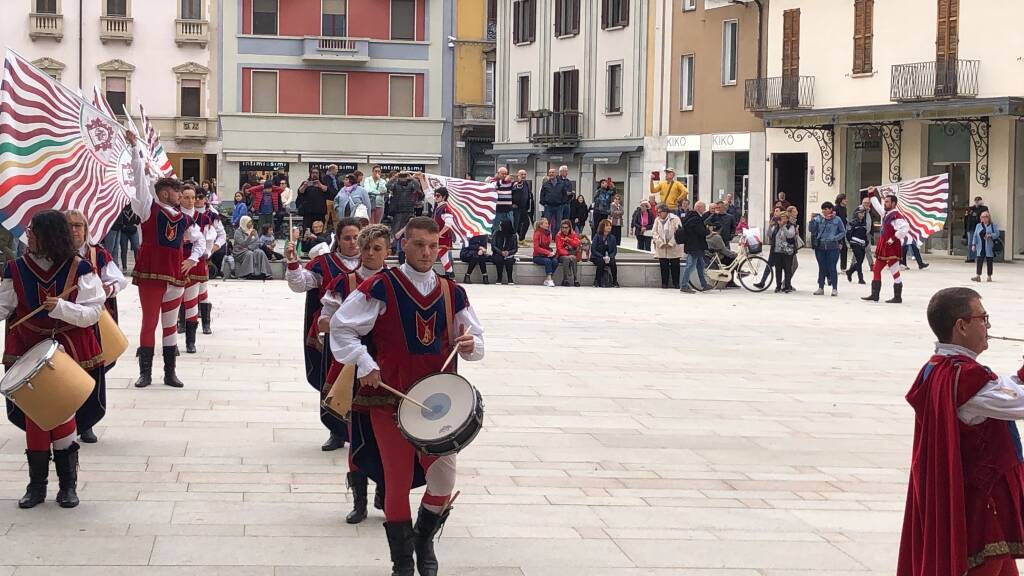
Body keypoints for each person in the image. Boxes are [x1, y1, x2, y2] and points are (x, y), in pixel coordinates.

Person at [330, 216, 484, 576]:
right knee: (396, 483)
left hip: (439, 404)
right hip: (391, 402)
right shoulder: (382, 286)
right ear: (404, 246)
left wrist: (470, 344)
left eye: (433, 246)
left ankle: (423, 540)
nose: (427, 252)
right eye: (418, 245)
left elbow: (477, 343)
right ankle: (403, 563)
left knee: (443, 481)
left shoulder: (452, 291)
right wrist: (365, 363)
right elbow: (342, 328)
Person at [896, 287, 1024, 576]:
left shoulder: (941, 368)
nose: (988, 326)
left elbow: (1004, 389)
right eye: (983, 318)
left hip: (978, 502)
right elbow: (1014, 401)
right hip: (981, 506)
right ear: (961, 326)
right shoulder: (964, 377)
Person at [2, 210, 105, 509]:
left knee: (61, 413)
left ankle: (67, 486)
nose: (28, 234)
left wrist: (62, 308)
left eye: (33, 230)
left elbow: (93, 313)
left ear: (49, 235)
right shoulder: (16, 269)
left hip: (67, 347)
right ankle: (36, 486)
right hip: (28, 348)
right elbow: (3, 306)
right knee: (36, 416)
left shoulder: (80, 268)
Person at [316, 223, 390, 525]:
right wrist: (327, 324)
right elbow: (326, 319)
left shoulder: (394, 282)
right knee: (356, 435)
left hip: (385, 369)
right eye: (367, 247)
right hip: (352, 368)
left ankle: (386, 490)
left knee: (388, 436)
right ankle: (359, 501)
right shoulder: (343, 280)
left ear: (388, 251)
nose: (371, 253)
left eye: (377, 248)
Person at [126, 131, 205, 389]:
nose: (180, 195)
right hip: (151, 273)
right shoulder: (148, 207)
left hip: (175, 276)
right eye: (176, 191)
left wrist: (192, 259)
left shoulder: (184, 218)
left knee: (170, 326)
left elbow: (200, 240)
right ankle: (145, 373)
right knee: (149, 323)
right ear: (164, 192)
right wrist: (135, 148)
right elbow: (139, 179)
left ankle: (170, 373)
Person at [286, 218, 364, 451]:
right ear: (337, 240)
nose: (353, 243)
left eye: (356, 237)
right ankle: (336, 431)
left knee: (362, 385)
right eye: (347, 238)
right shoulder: (324, 263)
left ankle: (362, 433)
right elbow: (300, 285)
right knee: (332, 382)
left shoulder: (370, 262)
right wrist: (292, 262)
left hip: (364, 335)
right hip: (331, 335)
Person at [64, 210, 128, 444]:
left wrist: (104, 289)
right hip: (64, 324)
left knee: (93, 371)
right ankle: (64, 421)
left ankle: (87, 422)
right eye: (69, 226)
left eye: (78, 225)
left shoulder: (97, 253)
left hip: (95, 323)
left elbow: (118, 280)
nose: (74, 230)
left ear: (86, 228)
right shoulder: (54, 255)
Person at [862, 187, 908, 304]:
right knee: (876, 269)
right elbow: (877, 206)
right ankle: (875, 295)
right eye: (885, 201)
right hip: (884, 247)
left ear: (893, 203)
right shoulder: (886, 213)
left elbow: (905, 228)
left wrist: (894, 237)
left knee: (895, 272)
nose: (885, 203)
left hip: (892, 248)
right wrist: (872, 193)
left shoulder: (896, 216)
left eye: (887, 202)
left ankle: (898, 297)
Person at [809, 201, 846, 297]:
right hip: (820, 246)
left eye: (826, 209)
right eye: (823, 209)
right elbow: (812, 230)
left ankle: (834, 288)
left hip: (833, 247)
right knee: (822, 267)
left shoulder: (837, 220)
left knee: (832, 267)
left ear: (831, 209)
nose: (824, 211)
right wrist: (812, 220)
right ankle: (821, 287)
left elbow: (843, 232)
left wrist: (835, 238)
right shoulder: (819, 219)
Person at [387, 172, 424, 264]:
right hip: (397, 210)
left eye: (404, 177)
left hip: (409, 210)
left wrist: (412, 178)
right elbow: (387, 186)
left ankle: (406, 248)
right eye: (402, 177)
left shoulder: (411, 184)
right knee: (396, 230)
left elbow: (418, 189)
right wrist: (395, 177)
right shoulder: (395, 184)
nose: (403, 178)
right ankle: (394, 248)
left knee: (408, 230)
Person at [679, 201, 709, 294]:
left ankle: (704, 284)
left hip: (695, 245)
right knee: (691, 265)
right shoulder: (695, 218)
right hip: (694, 246)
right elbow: (700, 231)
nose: (705, 209)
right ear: (698, 207)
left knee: (701, 265)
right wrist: (708, 231)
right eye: (704, 207)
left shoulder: (690, 216)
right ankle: (684, 285)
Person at [652, 203, 683, 289]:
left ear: (665, 211)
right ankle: (664, 283)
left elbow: (678, 232)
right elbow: (654, 232)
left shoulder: (675, 219)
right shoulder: (657, 220)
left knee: (675, 265)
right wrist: (660, 243)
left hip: (674, 247)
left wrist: (671, 243)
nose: (658, 214)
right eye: (658, 212)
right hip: (662, 247)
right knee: (663, 266)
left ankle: (676, 283)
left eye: (660, 212)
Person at [767, 211, 797, 293]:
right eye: (781, 218)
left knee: (787, 269)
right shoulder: (776, 227)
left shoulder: (790, 226)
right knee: (778, 269)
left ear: (787, 219)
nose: (783, 219)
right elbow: (769, 235)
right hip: (777, 251)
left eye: (784, 218)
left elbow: (790, 235)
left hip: (787, 251)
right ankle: (778, 286)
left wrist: (783, 227)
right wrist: (770, 225)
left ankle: (787, 286)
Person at [432, 187, 457, 279]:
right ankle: (450, 275)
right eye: (435, 195)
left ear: (444, 197)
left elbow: (449, 224)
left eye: (438, 195)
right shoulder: (438, 206)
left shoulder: (446, 208)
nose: (435, 197)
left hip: (443, 238)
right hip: (440, 237)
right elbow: (427, 194)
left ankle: (431, 271)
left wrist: (439, 234)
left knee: (432, 255)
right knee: (444, 257)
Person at [298, 167, 330, 232]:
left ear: (319, 174)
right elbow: (300, 192)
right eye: (313, 173)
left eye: (316, 173)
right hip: (308, 212)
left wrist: (320, 185)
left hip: (320, 212)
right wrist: (305, 185)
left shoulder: (323, 183)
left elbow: (329, 193)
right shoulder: (305, 183)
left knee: (319, 231)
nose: (314, 174)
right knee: (307, 231)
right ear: (310, 174)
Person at [971, 211, 999, 283]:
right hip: (980, 247)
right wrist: (973, 244)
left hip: (989, 247)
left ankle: (989, 276)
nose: (983, 218)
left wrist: (990, 235)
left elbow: (997, 234)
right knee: (979, 261)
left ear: (988, 218)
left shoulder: (993, 225)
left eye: (985, 217)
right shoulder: (978, 225)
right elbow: (975, 236)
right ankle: (978, 276)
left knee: (989, 261)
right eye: (982, 217)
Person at [112, 203, 141, 271]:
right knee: (124, 249)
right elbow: (119, 218)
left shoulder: (135, 207)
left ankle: (137, 266)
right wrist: (122, 225)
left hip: (133, 230)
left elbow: (138, 219)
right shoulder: (121, 207)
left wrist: (136, 221)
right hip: (124, 231)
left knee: (136, 247)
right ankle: (124, 267)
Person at [591, 219, 619, 288]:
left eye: (610, 226)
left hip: (608, 257)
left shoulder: (612, 237)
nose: (609, 227)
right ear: (602, 227)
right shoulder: (597, 236)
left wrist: (610, 256)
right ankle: (597, 281)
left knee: (613, 262)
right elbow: (593, 249)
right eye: (607, 226)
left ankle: (615, 281)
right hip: (597, 257)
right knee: (601, 262)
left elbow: (614, 250)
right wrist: (601, 256)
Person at [532, 217, 559, 287]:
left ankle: (547, 278)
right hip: (537, 256)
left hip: (546, 254)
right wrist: (548, 253)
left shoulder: (548, 234)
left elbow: (547, 246)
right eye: (546, 223)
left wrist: (550, 252)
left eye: (547, 223)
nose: (547, 225)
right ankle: (549, 279)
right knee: (548, 261)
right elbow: (536, 248)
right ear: (541, 225)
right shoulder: (537, 233)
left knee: (555, 261)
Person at [490, 219, 518, 285]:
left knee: (509, 260)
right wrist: (500, 252)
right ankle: (499, 278)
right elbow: (493, 246)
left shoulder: (513, 236)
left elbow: (515, 248)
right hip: (498, 254)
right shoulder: (496, 233)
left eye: (501, 225)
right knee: (499, 259)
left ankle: (510, 278)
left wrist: (508, 252)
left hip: (508, 254)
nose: (500, 226)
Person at [845, 206, 869, 285]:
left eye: (863, 213)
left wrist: (866, 241)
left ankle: (850, 271)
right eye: (861, 213)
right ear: (856, 213)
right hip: (855, 244)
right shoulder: (853, 223)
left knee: (860, 261)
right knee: (859, 260)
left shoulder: (864, 222)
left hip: (862, 244)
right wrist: (850, 243)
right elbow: (848, 234)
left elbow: (864, 234)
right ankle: (860, 278)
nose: (862, 215)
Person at [555, 219, 581, 287]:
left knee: (573, 258)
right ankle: (565, 279)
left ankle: (576, 279)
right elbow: (559, 249)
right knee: (567, 258)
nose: (564, 229)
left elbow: (577, 243)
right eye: (562, 227)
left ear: (569, 228)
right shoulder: (558, 235)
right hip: (561, 255)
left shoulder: (573, 234)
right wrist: (568, 254)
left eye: (566, 227)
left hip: (572, 254)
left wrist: (569, 240)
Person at [964, 196, 990, 263]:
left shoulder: (984, 208)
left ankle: (981, 257)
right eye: (976, 201)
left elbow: (986, 216)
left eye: (978, 201)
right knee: (970, 243)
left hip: (981, 227)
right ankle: (971, 257)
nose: (977, 202)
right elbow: (967, 217)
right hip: (971, 228)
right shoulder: (971, 209)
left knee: (980, 243)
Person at [511, 169, 533, 244]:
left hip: (524, 208)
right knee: (516, 225)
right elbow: (510, 193)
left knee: (526, 223)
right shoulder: (514, 184)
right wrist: (512, 203)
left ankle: (521, 238)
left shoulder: (526, 183)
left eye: (524, 174)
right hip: (515, 208)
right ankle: (514, 240)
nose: (523, 176)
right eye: (521, 174)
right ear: (518, 175)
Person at [491, 167, 515, 232]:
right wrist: (504, 181)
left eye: (506, 174)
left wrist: (517, 179)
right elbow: (496, 186)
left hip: (508, 210)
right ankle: (496, 241)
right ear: (498, 174)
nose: (504, 175)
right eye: (502, 174)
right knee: (496, 229)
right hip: (498, 210)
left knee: (510, 228)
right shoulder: (494, 183)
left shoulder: (510, 183)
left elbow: (518, 185)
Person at [835, 194, 849, 273]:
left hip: (843, 231)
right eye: (845, 199)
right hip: (837, 232)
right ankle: (832, 267)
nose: (846, 200)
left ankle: (843, 268)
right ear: (841, 200)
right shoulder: (836, 208)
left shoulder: (844, 208)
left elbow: (845, 218)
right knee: (837, 250)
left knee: (844, 249)